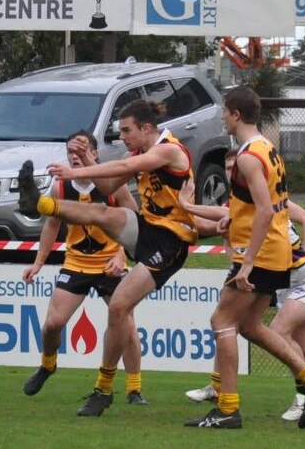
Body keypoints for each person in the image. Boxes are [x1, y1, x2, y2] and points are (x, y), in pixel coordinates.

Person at [17, 99, 198, 416]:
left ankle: (105, 388)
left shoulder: (168, 149)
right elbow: (107, 185)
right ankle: (40, 205)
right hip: (147, 230)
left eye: (127, 130)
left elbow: (126, 169)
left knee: (118, 308)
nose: (123, 137)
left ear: (146, 128)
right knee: (102, 212)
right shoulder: (140, 152)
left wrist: (77, 168)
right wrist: (86, 159)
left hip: (172, 242)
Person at [184, 86, 305, 430]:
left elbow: (266, 211)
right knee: (249, 326)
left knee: (221, 322)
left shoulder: (249, 156)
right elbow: (261, 206)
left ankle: (228, 409)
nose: (222, 116)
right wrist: (231, 217)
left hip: (261, 252)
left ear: (236, 114)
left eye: (224, 111)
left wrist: (247, 262)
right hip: (275, 250)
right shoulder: (268, 149)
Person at [22, 130, 147, 405]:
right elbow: (51, 225)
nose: (74, 157)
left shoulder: (111, 186)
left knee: (126, 326)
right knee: (52, 324)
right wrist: (39, 262)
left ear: (94, 154)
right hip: (76, 262)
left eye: (80, 151)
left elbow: (133, 219)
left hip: (110, 263)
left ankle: (134, 388)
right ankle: (48, 364)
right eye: (70, 152)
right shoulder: (60, 187)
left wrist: (121, 256)